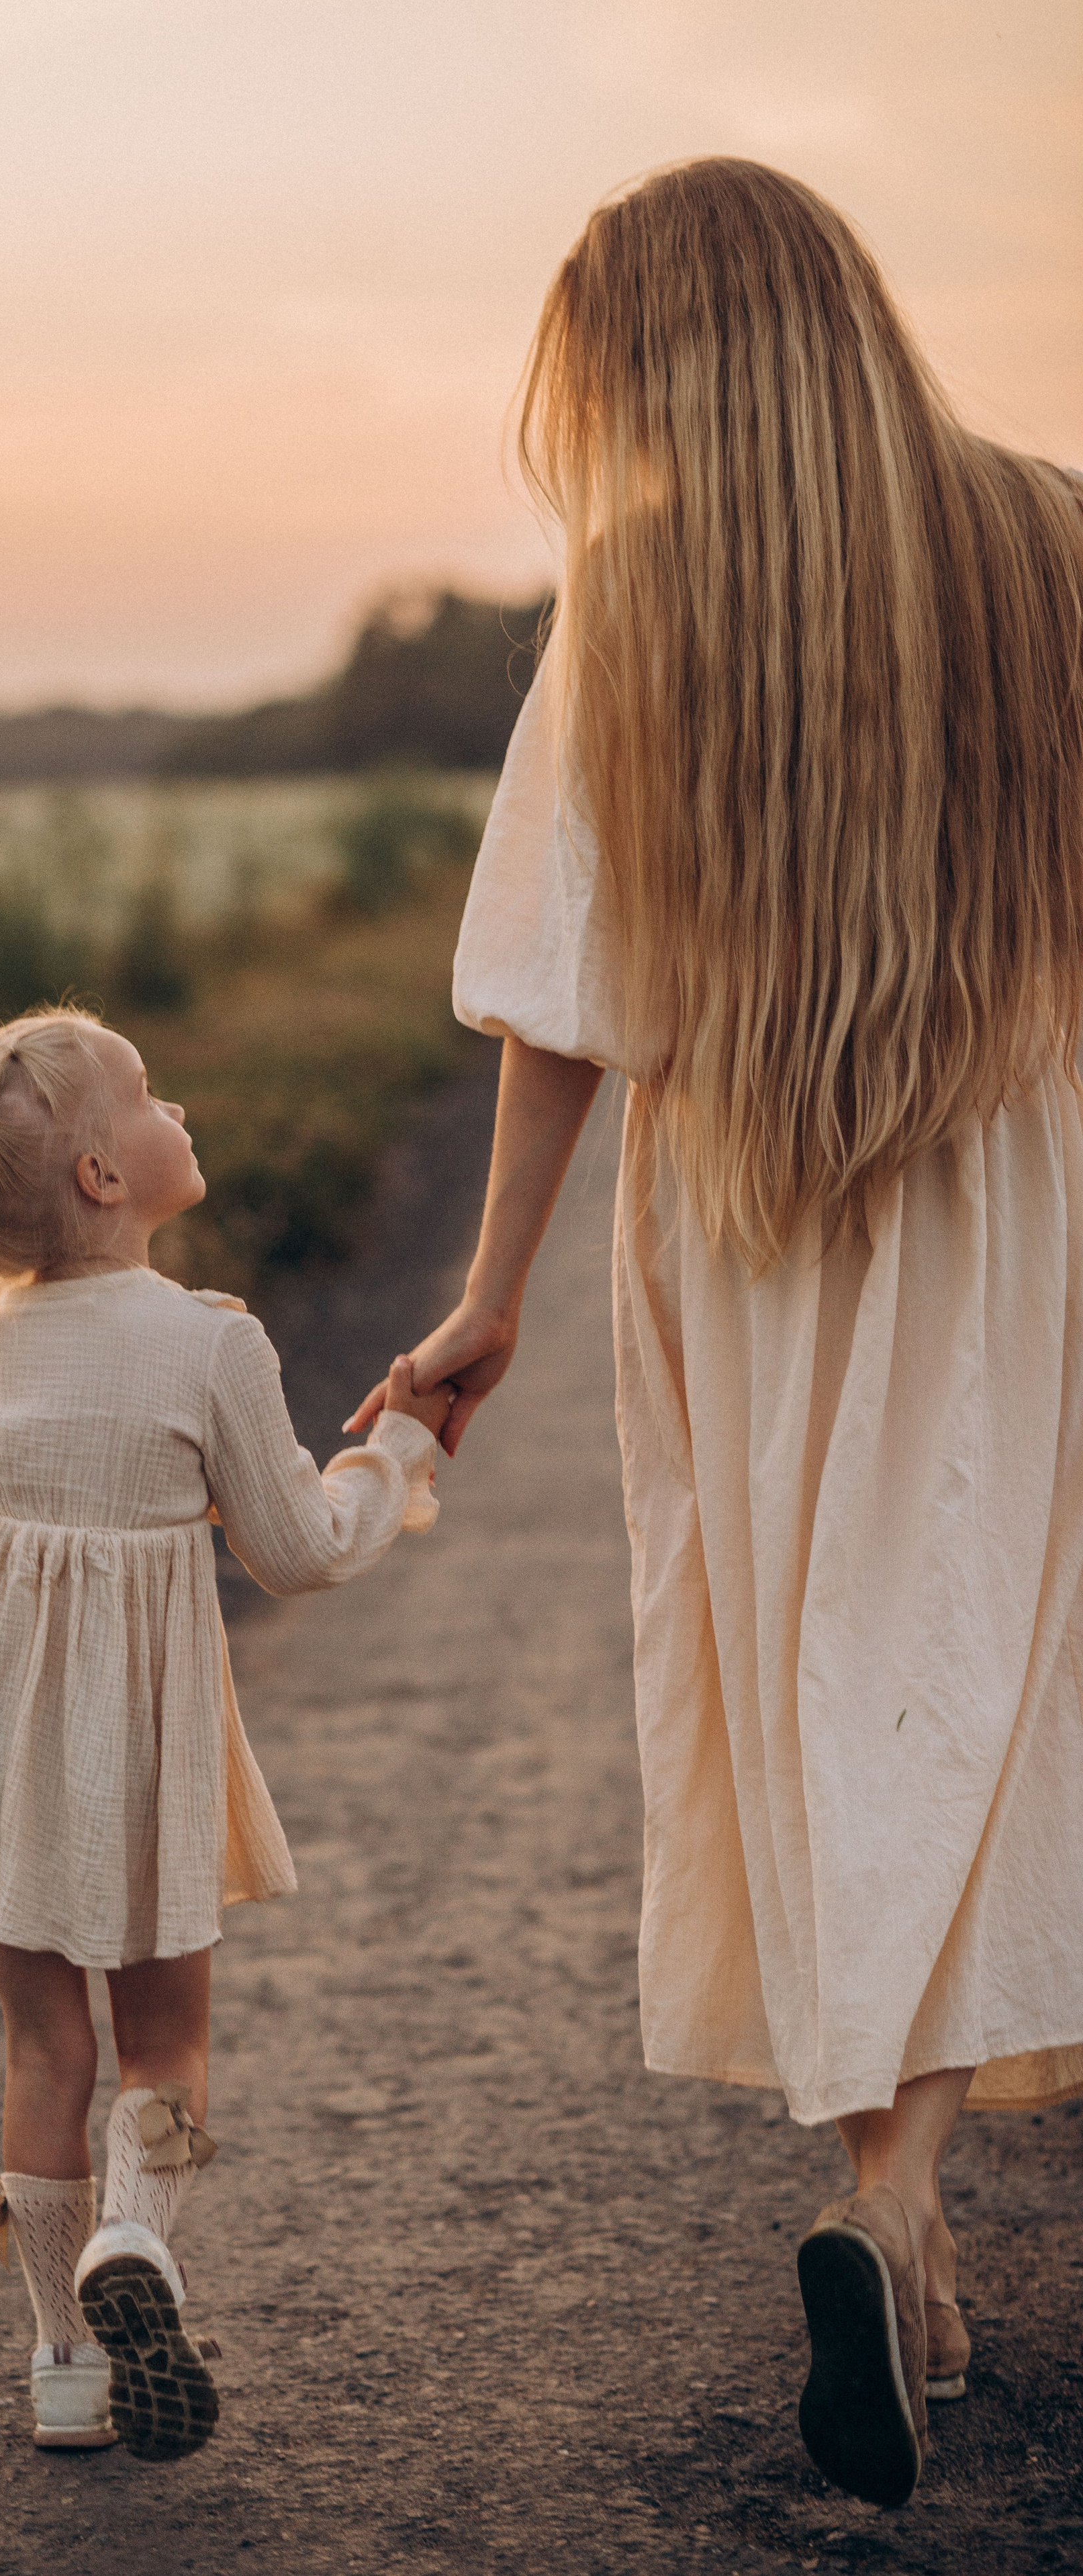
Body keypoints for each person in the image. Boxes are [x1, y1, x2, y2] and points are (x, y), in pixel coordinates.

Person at [348, 159, 1083, 2510]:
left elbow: (556, 1000)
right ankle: (896, 2194)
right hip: (1018, 1190)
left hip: (751, 1209)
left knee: (818, 1675)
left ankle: (901, 2211)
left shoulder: (635, 608)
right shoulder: (1052, 540)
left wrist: (491, 1293)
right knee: (979, 1675)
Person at [0, 1007, 450, 2459]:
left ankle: (63, 2368)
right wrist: (397, 1455)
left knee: (42, 2047)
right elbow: (300, 1548)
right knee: (166, 2036)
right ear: (101, 1176)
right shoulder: (208, 1344)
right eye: (145, 1095)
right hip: (137, 1755)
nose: (173, 1105)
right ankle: (131, 2237)